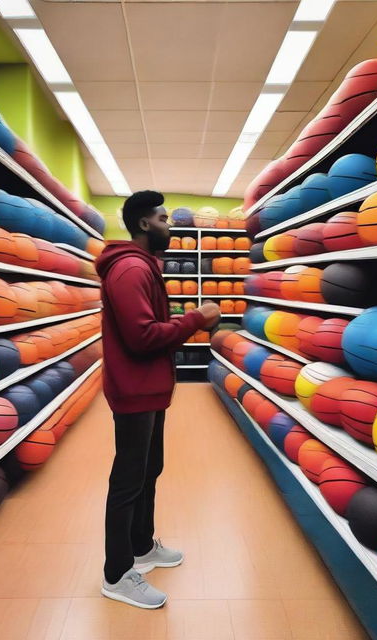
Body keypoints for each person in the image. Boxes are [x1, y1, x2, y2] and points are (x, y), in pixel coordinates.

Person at [96, 191, 221, 609]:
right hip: (134, 390)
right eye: (165, 218)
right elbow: (142, 336)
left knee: (150, 470)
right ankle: (116, 574)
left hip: (149, 388)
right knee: (128, 482)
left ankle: (142, 547)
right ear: (145, 224)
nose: (171, 225)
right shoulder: (130, 269)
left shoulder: (145, 267)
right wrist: (195, 320)